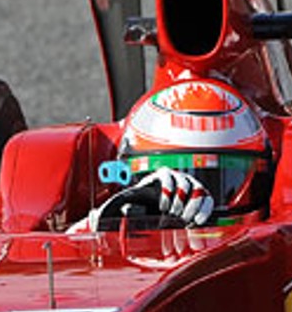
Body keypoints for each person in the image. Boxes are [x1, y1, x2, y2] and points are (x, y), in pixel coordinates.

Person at [82, 78, 271, 229]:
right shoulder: (106, 221)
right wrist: (105, 222)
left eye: (217, 186)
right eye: (169, 193)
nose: (195, 203)